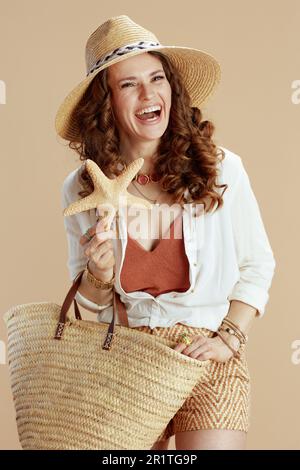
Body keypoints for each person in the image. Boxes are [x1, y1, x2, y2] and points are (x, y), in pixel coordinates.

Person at [55, 15, 276, 450]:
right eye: (128, 84)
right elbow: (92, 305)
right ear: (106, 103)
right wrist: (98, 276)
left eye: (157, 78)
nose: (148, 94)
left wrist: (228, 337)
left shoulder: (221, 168)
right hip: (129, 356)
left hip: (206, 352)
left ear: (171, 87)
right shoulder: (83, 187)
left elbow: (257, 264)